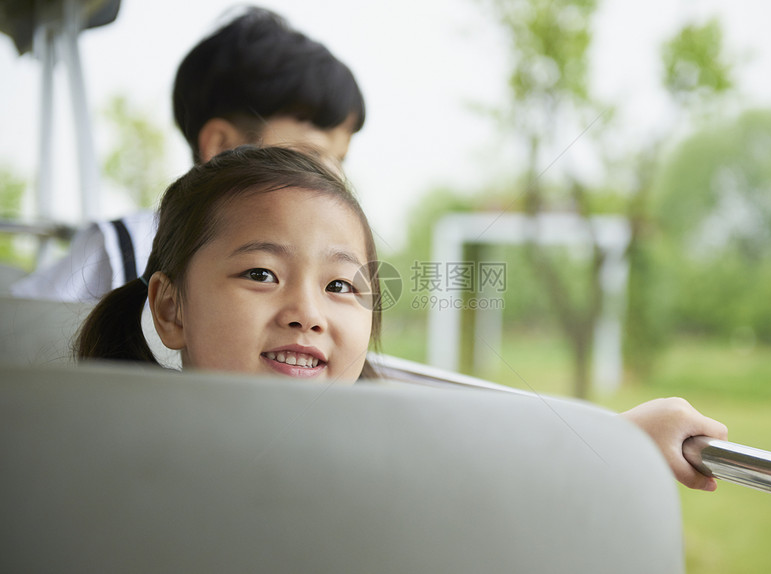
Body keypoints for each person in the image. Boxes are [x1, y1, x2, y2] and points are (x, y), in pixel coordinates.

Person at [76, 145, 728, 492]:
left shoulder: (383, 461)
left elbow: (494, 462)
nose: (306, 312)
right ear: (169, 307)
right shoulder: (96, 462)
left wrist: (621, 438)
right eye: (261, 275)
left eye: (340, 285)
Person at [11, 6, 364, 302]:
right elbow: (22, 332)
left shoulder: (330, 267)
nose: (333, 176)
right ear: (224, 146)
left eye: (340, 159)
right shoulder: (127, 248)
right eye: (312, 156)